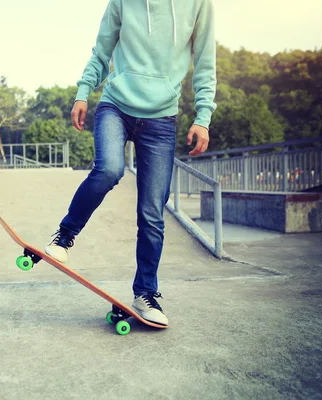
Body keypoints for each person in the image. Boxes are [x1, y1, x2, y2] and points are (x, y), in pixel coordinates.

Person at [45, 0, 217, 326]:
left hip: (161, 119)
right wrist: (83, 92)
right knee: (109, 168)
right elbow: (101, 50)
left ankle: (146, 293)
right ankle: (64, 236)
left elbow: (206, 63)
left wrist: (203, 116)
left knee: (152, 211)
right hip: (116, 105)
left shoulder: (199, 4)